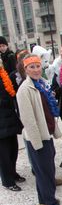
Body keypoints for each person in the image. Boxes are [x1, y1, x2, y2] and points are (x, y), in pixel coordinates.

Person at [16, 54, 62, 205]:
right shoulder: (24, 90)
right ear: (25, 69)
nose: (36, 69)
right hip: (38, 137)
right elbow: (28, 119)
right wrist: (37, 142)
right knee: (46, 172)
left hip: (45, 133)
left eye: (38, 66)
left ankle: (43, 201)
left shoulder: (41, 84)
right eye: (31, 67)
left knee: (43, 170)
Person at [0, 58, 24, 191]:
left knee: (13, 149)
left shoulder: (3, 75)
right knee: (3, 153)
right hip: (2, 121)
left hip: (9, 117)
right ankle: (7, 181)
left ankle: (13, 173)